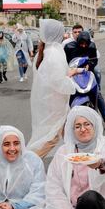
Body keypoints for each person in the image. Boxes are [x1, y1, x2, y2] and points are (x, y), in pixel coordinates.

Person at [27, 19, 78, 158]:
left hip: (49, 100)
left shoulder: (47, 51)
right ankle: (30, 164)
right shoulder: (54, 53)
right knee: (52, 138)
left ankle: (73, 165)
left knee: (66, 134)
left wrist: (70, 72)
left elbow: (52, 75)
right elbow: (58, 81)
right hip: (55, 102)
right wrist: (72, 83)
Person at [64, 28, 105, 131]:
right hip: (72, 73)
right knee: (64, 92)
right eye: (81, 43)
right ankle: (65, 121)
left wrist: (89, 66)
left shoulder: (92, 46)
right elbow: (63, 62)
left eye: (85, 44)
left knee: (98, 93)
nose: (83, 46)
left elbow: (94, 61)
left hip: (87, 71)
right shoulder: (68, 47)